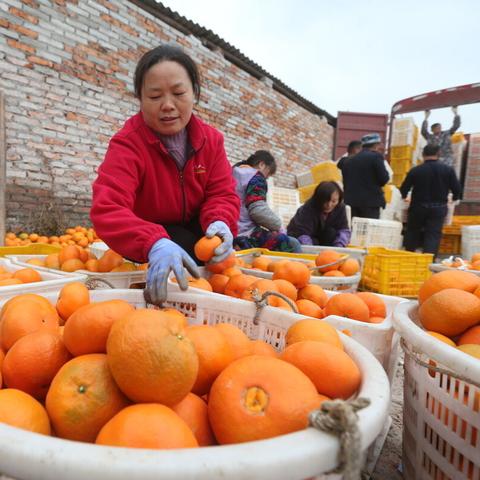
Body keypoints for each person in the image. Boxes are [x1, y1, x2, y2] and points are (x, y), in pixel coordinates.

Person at [90, 45, 240, 304]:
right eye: (155, 96)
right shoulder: (128, 144)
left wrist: (220, 221)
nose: (168, 105)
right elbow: (108, 208)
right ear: (140, 98)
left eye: (179, 93)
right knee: (183, 248)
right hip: (148, 241)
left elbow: (221, 194)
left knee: (210, 252)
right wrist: (152, 241)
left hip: (196, 233)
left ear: (195, 93)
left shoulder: (211, 141)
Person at [232, 150, 301, 252]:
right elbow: (258, 211)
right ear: (262, 165)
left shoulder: (232, 172)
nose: (266, 178)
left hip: (227, 230)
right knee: (292, 243)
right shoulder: (256, 178)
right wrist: (278, 226)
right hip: (245, 235)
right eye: (267, 175)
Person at [400, 144, 461, 257]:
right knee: (432, 234)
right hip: (438, 208)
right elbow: (456, 189)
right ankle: (428, 261)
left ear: (423, 155)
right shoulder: (447, 170)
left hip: (418, 207)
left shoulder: (416, 170)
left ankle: (409, 257)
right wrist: (454, 198)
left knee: (412, 232)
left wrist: (404, 196)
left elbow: (404, 188)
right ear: (439, 154)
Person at [337, 133, 390, 219]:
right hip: (371, 204)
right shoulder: (376, 157)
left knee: (354, 228)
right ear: (376, 145)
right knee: (368, 230)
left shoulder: (348, 160)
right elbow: (384, 179)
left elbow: (340, 165)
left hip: (351, 203)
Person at [287, 181, 351, 247]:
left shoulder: (340, 208)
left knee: (331, 233)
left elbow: (344, 229)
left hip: (324, 241)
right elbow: (301, 233)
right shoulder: (308, 208)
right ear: (318, 198)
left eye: (334, 201)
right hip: (300, 240)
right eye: (325, 201)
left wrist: (339, 246)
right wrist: (311, 250)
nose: (329, 205)